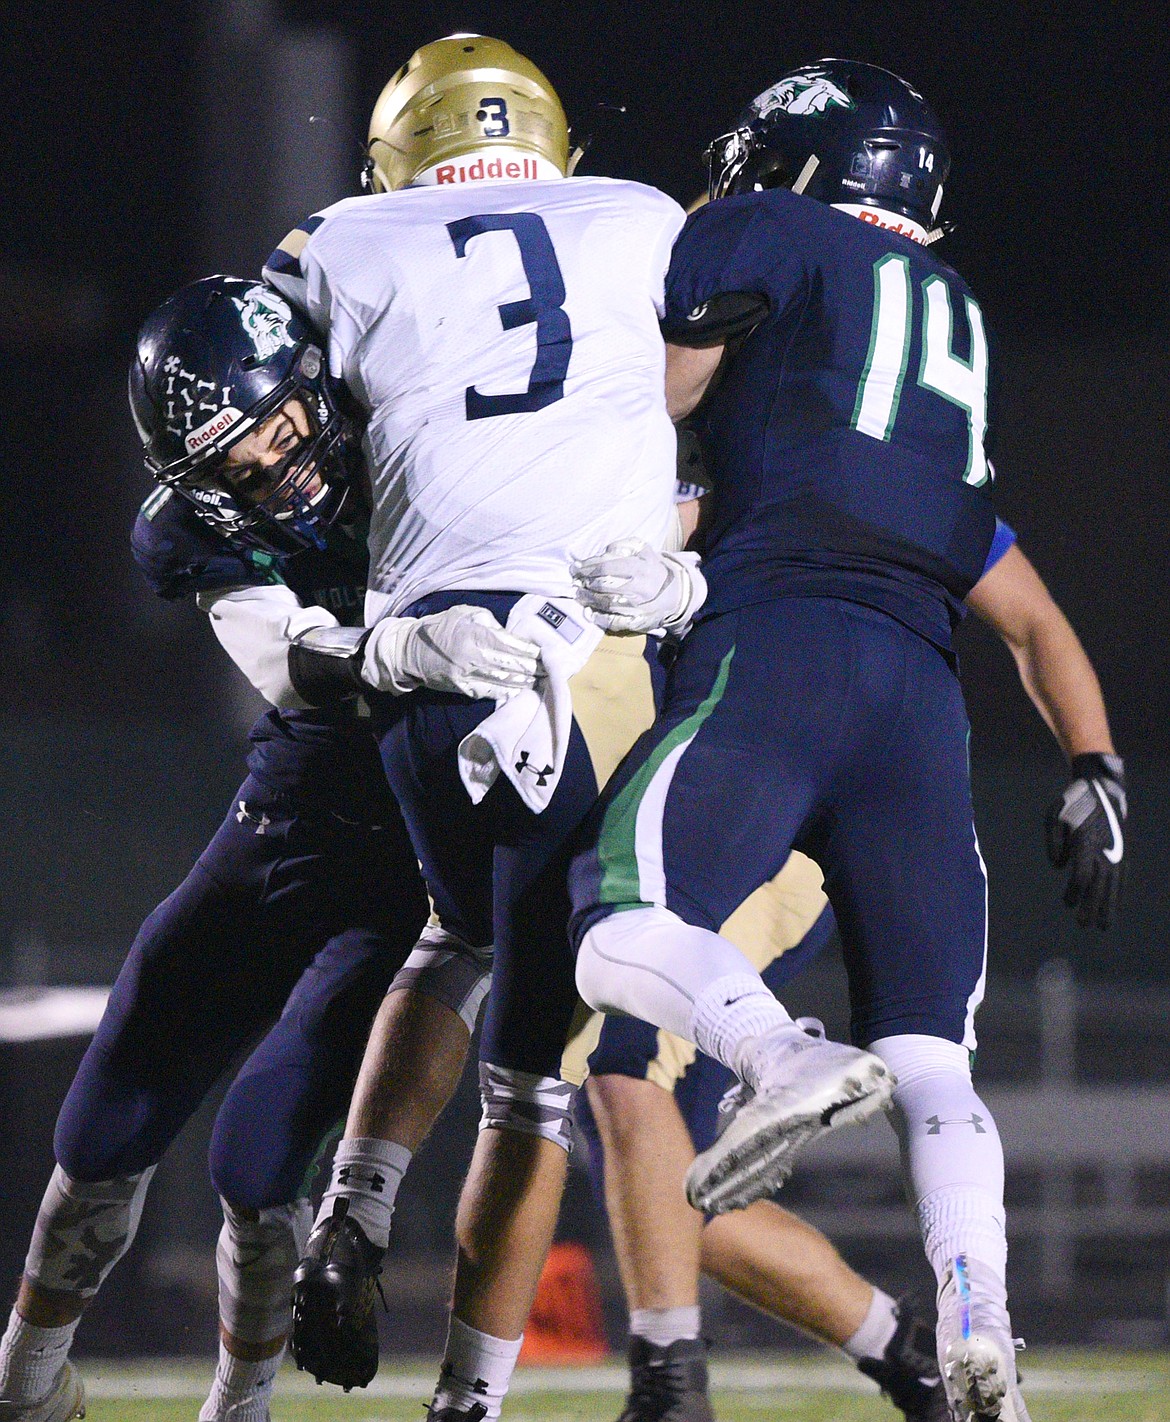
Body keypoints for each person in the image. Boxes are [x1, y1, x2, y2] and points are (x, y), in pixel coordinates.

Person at [261, 32, 893, 1421]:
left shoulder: (335, 239)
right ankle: (765, 1057)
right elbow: (685, 404)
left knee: (469, 934)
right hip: (603, 650)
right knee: (541, 1051)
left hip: (426, 658)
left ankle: (361, 1216)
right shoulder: (645, 224)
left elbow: (276, 429)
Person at [568, 60, 1125, 1422]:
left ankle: (776, 1054)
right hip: (917, 694)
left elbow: (674, 388)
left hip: (783, 648)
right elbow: (1031, 618)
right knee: (933, 1053)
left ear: (810, 164)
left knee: (610, 914)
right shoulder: (949, 331)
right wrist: (1093, 768)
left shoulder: (779, 232)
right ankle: (980, 1323)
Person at [0, 274, 534, 1422]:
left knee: (255, 1161)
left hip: (411, 868)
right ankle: (27, 1386)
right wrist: (403, 653)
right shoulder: (189, 531)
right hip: (291, 817)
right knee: (102, 1128)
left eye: (280, 424)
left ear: (313, 387)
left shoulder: (425, 428)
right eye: (237, 460)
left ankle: (238, 1406)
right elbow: (290, 662)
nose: (274, 463)